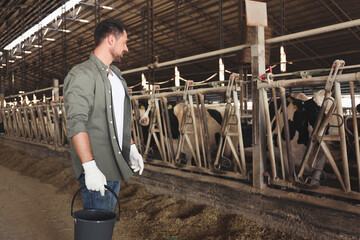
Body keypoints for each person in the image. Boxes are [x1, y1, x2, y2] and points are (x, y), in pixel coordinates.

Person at [64, 19, 144, 211]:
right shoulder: (82, 74)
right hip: (97, 166)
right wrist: (90, 167)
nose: (126, 48)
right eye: (124, 42)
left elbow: (118, 120)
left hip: (116, 163)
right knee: (95, 228)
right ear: (111, 39)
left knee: (106, 223)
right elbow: (77, 123)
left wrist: (131, 147)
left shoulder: (116, 77)